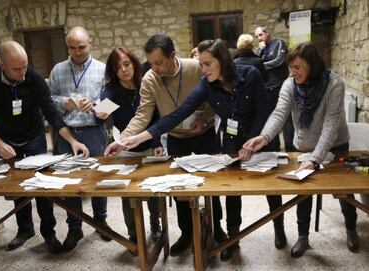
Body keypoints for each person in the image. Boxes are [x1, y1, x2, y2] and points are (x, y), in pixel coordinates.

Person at [115, 39, 286, 261]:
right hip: (233, 140)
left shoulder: (251, 74)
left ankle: (279, 227)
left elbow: (264, 111)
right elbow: (179, 113)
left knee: (272, 187)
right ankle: (233, 239)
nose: (202, 70)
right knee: (232, 190)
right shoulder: (207, 84)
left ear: (222, 61)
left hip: (260, 137)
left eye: (207, 64)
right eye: (201, 64)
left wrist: (256, 139)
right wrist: (139, 137)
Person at [104, 34, 226, 257]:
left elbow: (215, 100)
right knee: (178, 189)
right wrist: (123, 140)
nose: (154, 68)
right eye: (151, 63)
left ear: (173, 56)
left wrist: (206, 119)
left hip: (204, 134)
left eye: (158, 63)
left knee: (212, 185)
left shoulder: (194, 68)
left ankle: (217, 228)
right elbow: (143, 115)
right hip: (176, 138)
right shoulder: (150, 79)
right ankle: (186, 233)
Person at [243, 42, 359, 257]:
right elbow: (280, 113)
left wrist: (316, 159)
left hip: (335, 144)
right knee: (303, 191)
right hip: (305, 146)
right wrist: (264, 136)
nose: (293, 72)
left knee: (344, 191)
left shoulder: (334, 84)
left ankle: (351, 229)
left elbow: (331, 125)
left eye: (297, 67)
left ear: (312, 65)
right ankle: (303, 237)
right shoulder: (289, 84)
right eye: (291, 67)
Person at [0, 41, 89, 254]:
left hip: (34, 135)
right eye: (17, 68)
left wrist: (73, 141)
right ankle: (25, 229)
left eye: (25, 66)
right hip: (5, 137)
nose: (22, 72)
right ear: (2, 66)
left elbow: (52, 114)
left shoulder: (33, 78)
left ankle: (48, 232)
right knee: (16, 188)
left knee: (41, 185)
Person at [49, 26, 110, 252]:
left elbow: (111, 102)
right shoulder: (57, 70)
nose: (77, 52)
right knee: (69, 182)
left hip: (94, 130)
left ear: (90, 43)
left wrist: (95, 106)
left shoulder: (103, 70)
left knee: (98, 179)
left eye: (81, 47)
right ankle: (75, 226)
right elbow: (50, 98)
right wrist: (63, 102)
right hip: (66, 133)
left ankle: (101, 222)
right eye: (72, 48)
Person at [101, 47, 162, 244]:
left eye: (127, 64)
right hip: (126, 149)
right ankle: (134, 235)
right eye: (118, 67)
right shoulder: (112, 92)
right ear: (113, 71)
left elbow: (157, 117)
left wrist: (157, 141)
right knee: (127, 195)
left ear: (134, 63)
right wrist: (99, 112)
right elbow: (100, 111)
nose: (124, 70)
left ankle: (155, 225)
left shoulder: (146, 84)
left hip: (150, 144)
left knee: (154, 191)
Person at [254, 26, 295, 152]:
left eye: (260, 35)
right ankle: (275, 148)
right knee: (272, 118)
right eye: (257, 37)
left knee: (286, 118)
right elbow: (255, 61)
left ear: (267, 33)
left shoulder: (279, 43)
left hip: (280, 86)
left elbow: (278, 61)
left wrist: (261, 66)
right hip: (266, 89)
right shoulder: (260, 48)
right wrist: (260, 51)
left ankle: (289, 148)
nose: (259, 38)